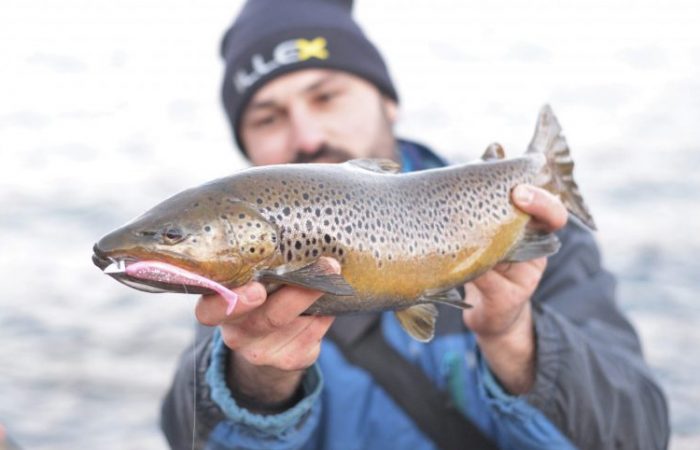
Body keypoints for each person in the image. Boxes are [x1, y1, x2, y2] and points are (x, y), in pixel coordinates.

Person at [160, 0, 670, 449]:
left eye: (326, 96)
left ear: (388, 100)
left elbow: (641, 435)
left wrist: (516, 340)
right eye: (268, 118)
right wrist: (253, 382)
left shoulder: (525, 229)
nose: (308, 134)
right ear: (249, 157)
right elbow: (184, 433)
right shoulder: (236, 289)